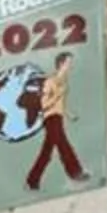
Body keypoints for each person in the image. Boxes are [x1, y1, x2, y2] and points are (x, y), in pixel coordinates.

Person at [24, 53, 89, 192]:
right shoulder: (50, 82)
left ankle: (32, 181)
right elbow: (44, 104)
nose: (70, 66)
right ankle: (75, 173)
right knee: (63, 146)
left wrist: (69, 115)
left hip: (58, 117)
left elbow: (61, 104)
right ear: (61, 64)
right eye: (68, 63)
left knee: (48, 150)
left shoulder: (63, 82)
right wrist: (58, 95)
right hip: (50, 118)